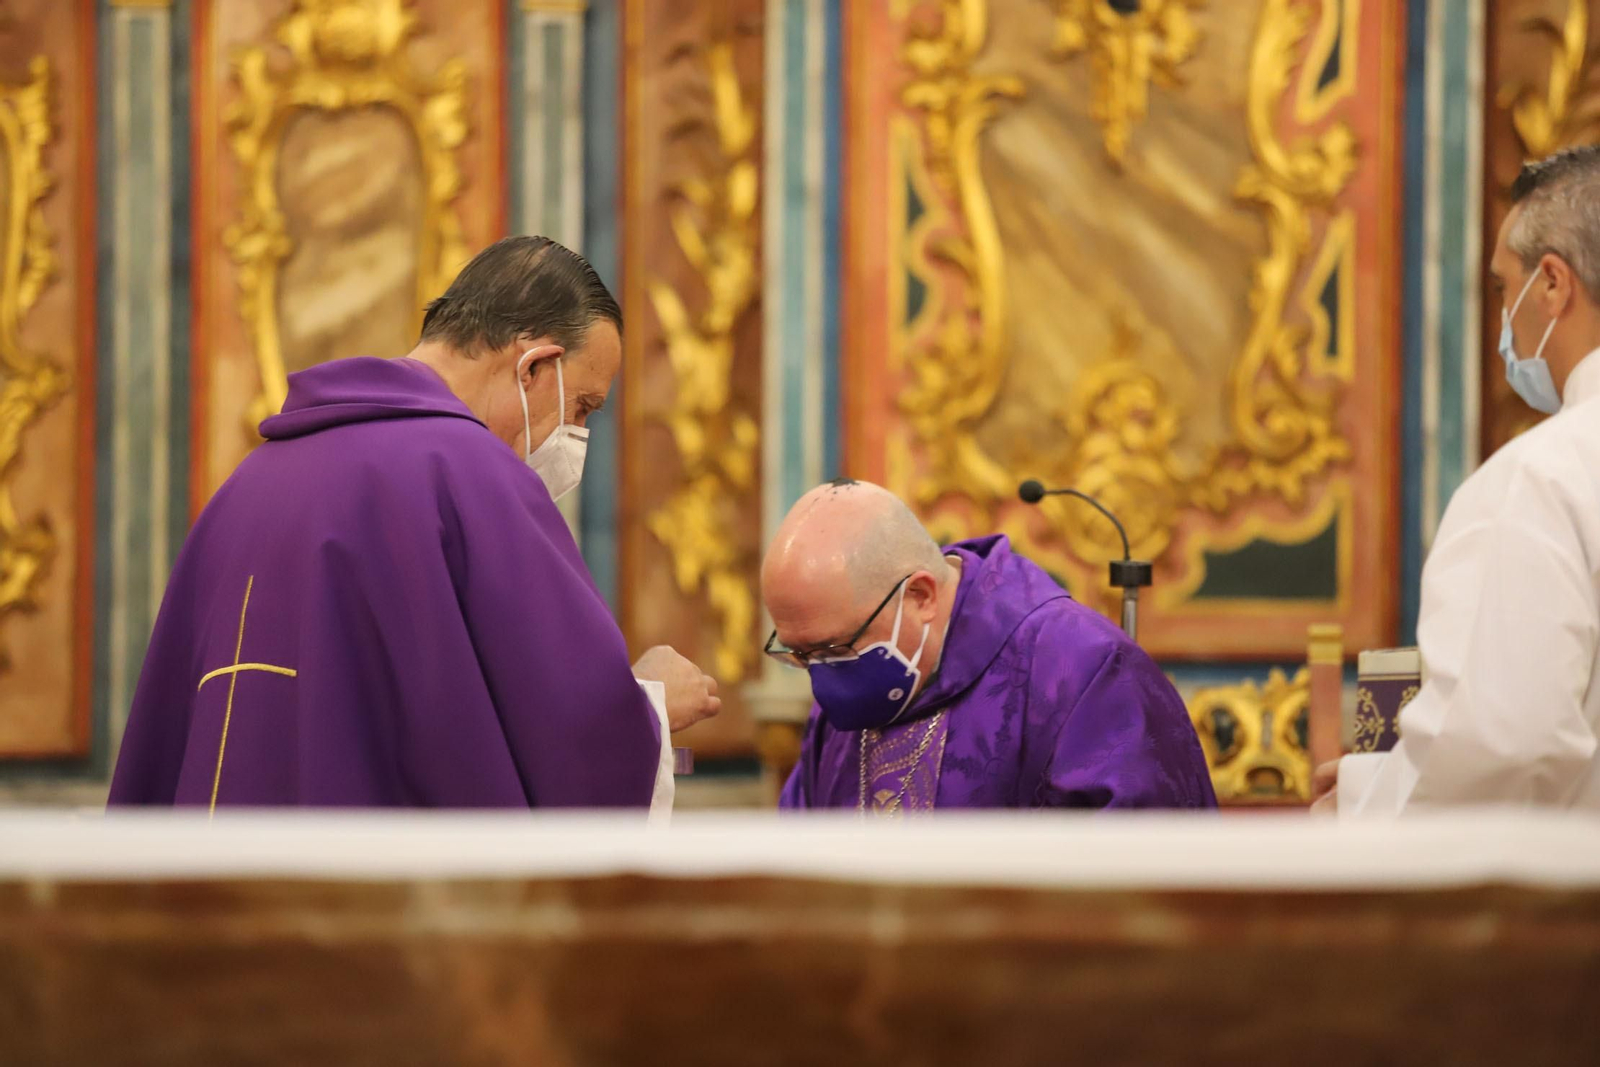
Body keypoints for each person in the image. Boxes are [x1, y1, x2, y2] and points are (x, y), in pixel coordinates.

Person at [109, 237, 718, 812]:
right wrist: (650, 709)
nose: (576, 435)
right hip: (363, 907)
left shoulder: (248, 485)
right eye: (582, 407)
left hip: (214, 899)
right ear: (535, 366)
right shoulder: (473, 478)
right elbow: (567, 741)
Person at [1317, 145, 1600, 814]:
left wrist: (1362, 804)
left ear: (1553, 284)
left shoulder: (1543, 480)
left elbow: (1503, 747)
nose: (1504, 315)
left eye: (1506, 287)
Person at [764, 479, 1216, 811]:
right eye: (802, 657)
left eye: (836, 650)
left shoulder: (1084, 672)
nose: (822, 680)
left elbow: (1140, 885)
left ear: (920, 596)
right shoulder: (849, 694)